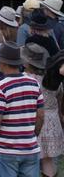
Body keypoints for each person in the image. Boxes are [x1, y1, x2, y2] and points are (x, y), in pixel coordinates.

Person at [0, 44, 44, 177]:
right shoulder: (34, 84)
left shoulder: (0, 87)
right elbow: (41, 115)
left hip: (6, 148)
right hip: (30, 147)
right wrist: (33, 134)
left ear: (3, 63)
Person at [23, 44, 63, 175]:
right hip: (53, 121)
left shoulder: (26, 79)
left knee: (32, 160)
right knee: (48, 160)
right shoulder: (52, 80)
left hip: (34, 122)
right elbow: (60, 99)